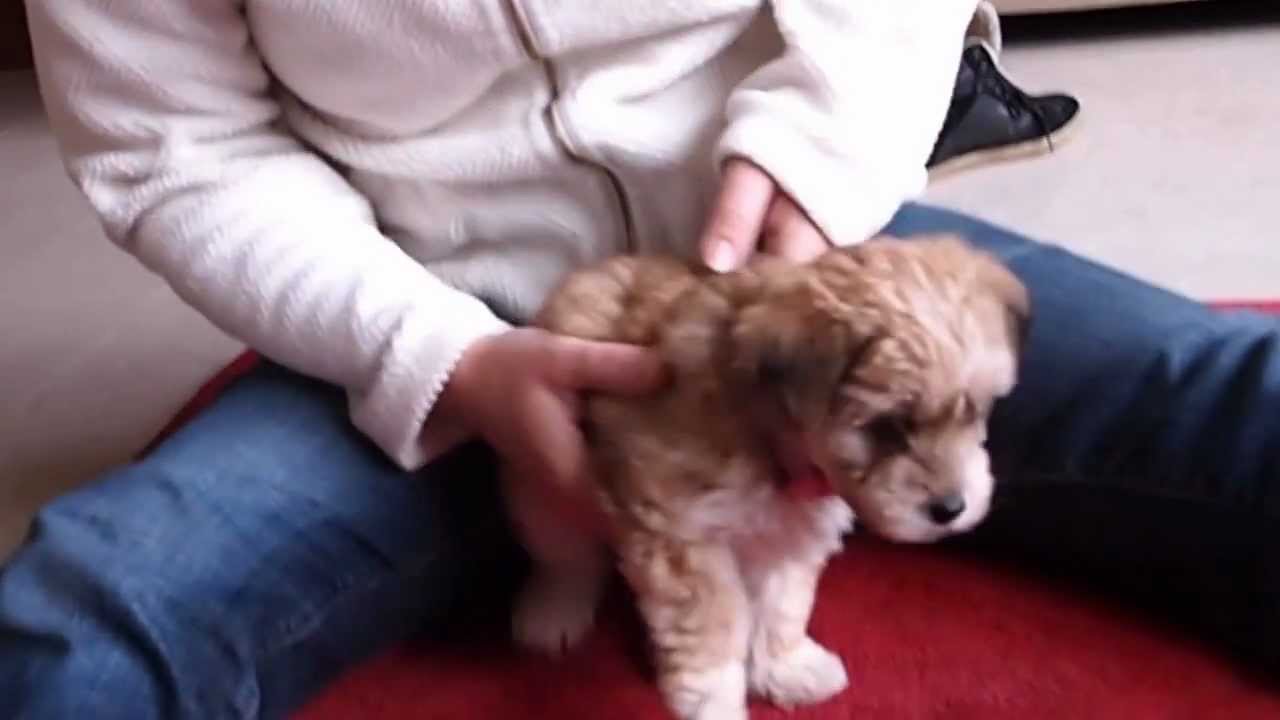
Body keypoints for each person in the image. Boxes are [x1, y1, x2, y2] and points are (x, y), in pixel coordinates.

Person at [1, 1, 1274, 718]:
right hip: (428, 309)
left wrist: (821, 153)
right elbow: (171, 149)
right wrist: (434, 355)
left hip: (817, 279)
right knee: (79, 633)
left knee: (1246, 402)